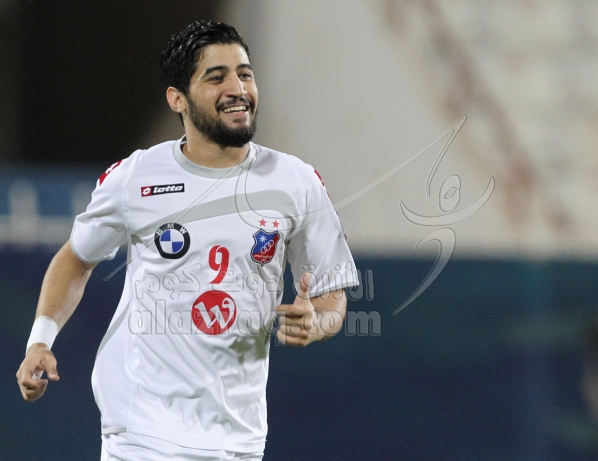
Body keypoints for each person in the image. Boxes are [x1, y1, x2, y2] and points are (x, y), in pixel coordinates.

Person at [16, 20, 359, 461]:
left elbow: (331, 295)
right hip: (142, 430)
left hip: (239, 438)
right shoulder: (137, 178)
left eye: (245, 74)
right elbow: (75, 259)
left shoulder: (296, 182)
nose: (237, 88)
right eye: (217, 77)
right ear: (177, 98)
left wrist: (318, 324)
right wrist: (40, 341)